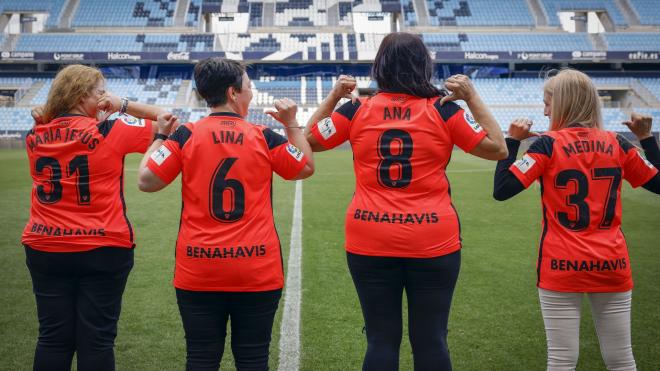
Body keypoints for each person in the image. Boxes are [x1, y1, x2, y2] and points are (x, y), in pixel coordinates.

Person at [304, 32, 507, 371]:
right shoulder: (443, 111)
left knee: (380, 340)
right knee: (431, 340)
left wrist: (335, 96)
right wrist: (471, 97)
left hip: (369, 236)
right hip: (433, 237)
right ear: (423, 65)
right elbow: (498, 148)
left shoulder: (357, 109)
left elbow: (307, 141)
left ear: (379, 66)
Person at [137, 58, 314, 371]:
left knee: (202, 358)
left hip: (199, 267)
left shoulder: (186, 136)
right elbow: (304, 166)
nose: (250, 92)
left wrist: (161, 137)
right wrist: (291, 124)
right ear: (233, 93)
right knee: (253, 358)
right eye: (248, 87)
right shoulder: (263, 136)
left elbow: (147, 181)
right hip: (256, 268)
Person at [493, 69, 660, 370]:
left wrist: (511, 141)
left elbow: (502, 190)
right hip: (612, 264)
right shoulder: (618, 143)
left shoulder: (547, 145)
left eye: (548, 103)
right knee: (622, 359)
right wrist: (646, 139)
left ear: (564, 104)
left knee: (561, 360)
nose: (544, 111)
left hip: (561, 265)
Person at [22, 64, 171, 371]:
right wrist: (124, 105)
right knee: (97, 340)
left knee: (52, 338)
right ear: (80, 95)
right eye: (101, 92)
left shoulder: (34, 133)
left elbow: (56, 126)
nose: (106, 97)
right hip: (103, 245)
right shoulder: (110, 129)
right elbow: (165, 118)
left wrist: (49, 116)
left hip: (44, 244)